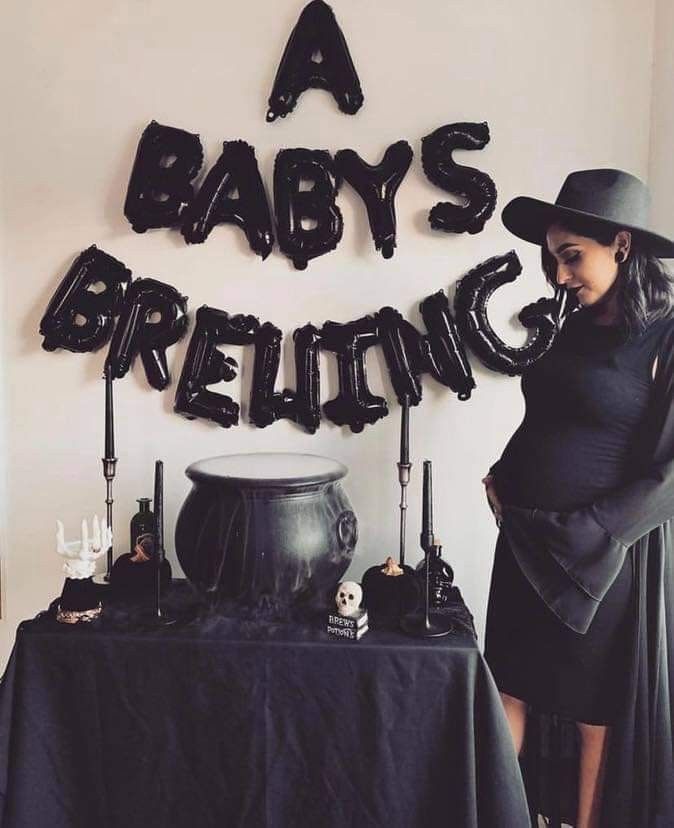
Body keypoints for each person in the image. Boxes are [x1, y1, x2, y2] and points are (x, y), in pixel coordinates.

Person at [481, 169, 674, 828]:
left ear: (621, 245)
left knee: (593, 710)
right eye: (552, 259)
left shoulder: (668, 337)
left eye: (572, 256)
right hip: (526, 536)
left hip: (596, 557)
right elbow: (551, 416)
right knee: (507, 685)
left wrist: (596, 529)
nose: (559, 275)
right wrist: (503, 471)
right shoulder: (572, 323)